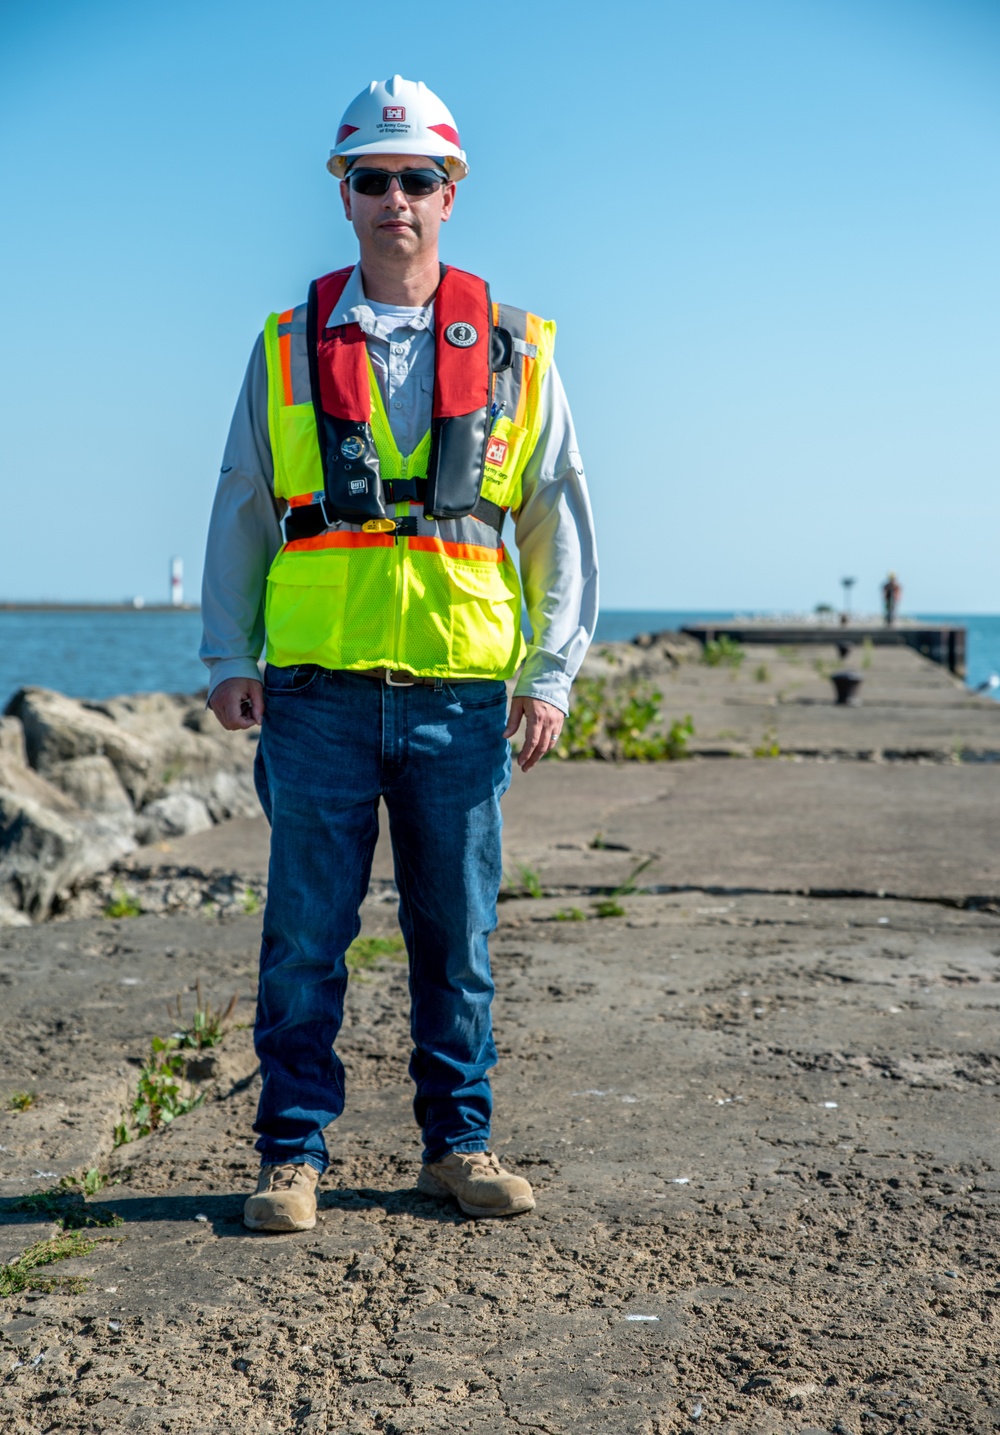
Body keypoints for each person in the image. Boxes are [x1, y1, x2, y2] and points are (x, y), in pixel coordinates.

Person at [200, 75, 598, 1232]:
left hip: (460, 696)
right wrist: (228, 652)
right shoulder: (285, 348)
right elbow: (241, 502)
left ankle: (456, 1145)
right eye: (370, 179)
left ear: (449, 191)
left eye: (416, 178)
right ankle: (291, 1155)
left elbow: (555, 516)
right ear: (344, 195)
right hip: (315, 691)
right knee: (304, 938)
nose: (395, 200)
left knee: (455, 938)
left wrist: (551, 673)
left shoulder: (517, 348)